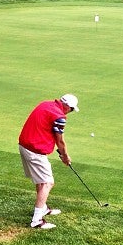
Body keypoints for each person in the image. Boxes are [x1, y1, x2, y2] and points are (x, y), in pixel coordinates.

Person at [18, 94, 79, 229]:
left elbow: (44, 128)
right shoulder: (59, 117)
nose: (71, 112)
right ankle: (37, 220)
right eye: (72, 109)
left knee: (41, 181)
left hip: (24, 145)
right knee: (47, 182)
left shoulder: (45, 104)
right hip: (35, 151)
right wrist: (65, 156)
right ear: (67, 106)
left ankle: (43, 208)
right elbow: (60, 140)